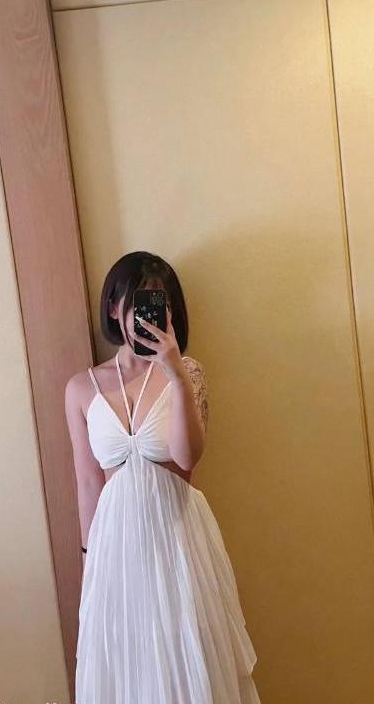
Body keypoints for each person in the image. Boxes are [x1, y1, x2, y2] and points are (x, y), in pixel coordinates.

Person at [64, 251, 260, 703]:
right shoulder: (80, 388)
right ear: (114, 307)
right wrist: (90, 565)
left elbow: (187, 459)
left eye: (160, 302)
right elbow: (88, 483)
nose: (149, 313)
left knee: (188, 657)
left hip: (178, 539)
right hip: (116, 549)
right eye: (138, 301)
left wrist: (174, 372)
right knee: (129, 664)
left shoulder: (187, 373)